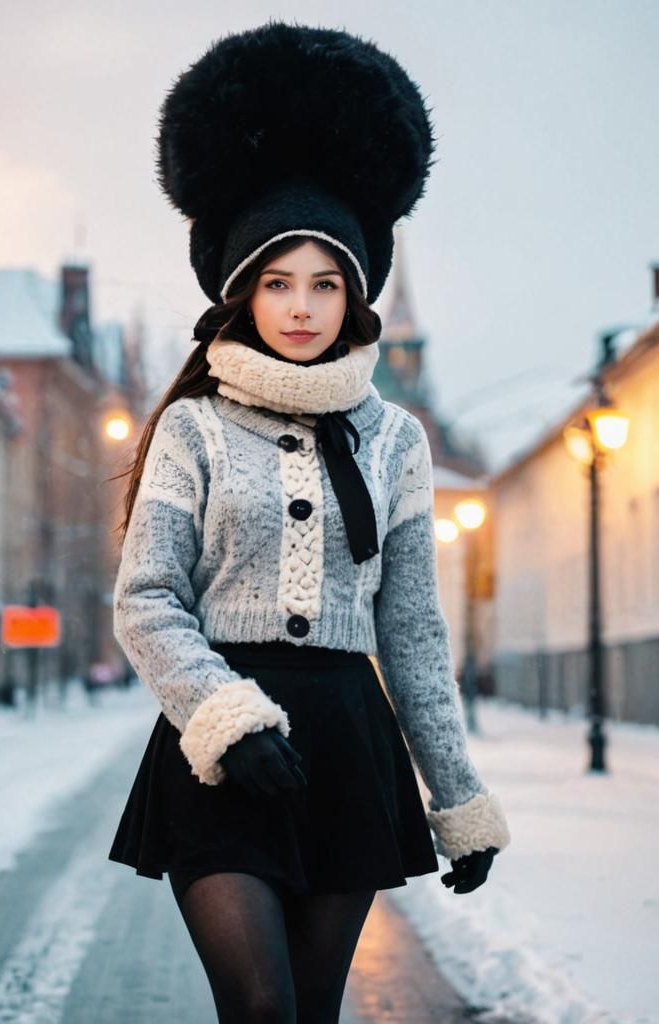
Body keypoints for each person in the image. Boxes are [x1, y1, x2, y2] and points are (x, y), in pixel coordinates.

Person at [108, 22, 511, 1023]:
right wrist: (219, 715)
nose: (300, 307)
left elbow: (412, 634)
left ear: (355, 294)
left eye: (324, 283)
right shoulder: (194, 428)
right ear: (243, 292)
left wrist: (456, 797)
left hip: (345, 747)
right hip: (217, 750)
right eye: (278, 282)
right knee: (261, 1005)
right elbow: (148, 597)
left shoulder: (396, 438)